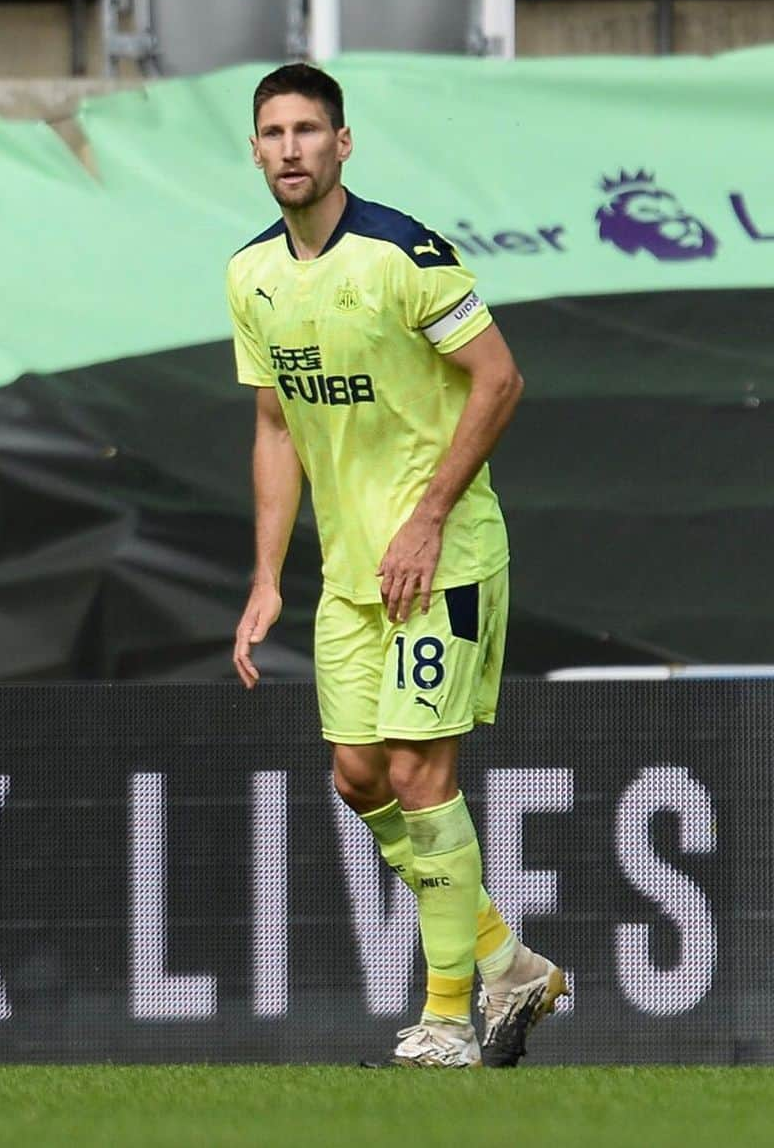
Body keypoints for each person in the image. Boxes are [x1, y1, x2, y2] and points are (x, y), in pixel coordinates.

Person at [225, 63, 566, 1069]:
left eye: (307, 130)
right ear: (255, 150)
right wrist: (265, 578)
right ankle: (511, 965)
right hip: (349, 576)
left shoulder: (401, 254)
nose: (290, 147)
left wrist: (426, 518)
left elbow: (498, 380)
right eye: (273, 132)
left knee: (420, 774)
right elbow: (274, 426)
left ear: (343, 144)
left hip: (444, 557)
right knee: (357, 776)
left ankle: (448, 1018)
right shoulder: (251, 275)